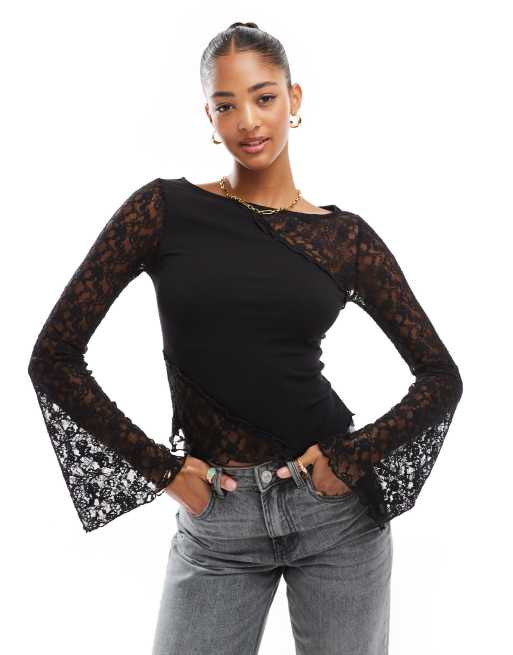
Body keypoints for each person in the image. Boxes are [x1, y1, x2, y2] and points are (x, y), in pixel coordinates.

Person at [27, 20, 463, 655]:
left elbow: (441, 377)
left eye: (264, 98)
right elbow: (54, 357)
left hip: (336, 519)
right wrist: (162, 470)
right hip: (218, 521)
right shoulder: (162, 211)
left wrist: (348, 459)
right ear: (208, 115)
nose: (249, 122)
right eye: (227, 105)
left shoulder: (345, 239)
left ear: (294, 99)